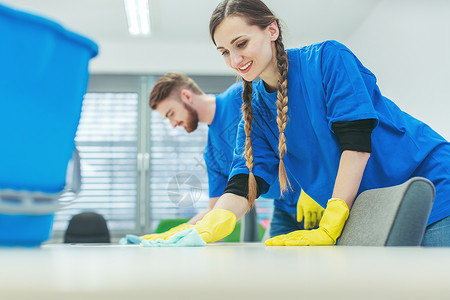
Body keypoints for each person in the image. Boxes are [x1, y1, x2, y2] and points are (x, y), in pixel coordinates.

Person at [146, 0, 450, 247]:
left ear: (272, 30)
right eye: (225, 52)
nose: (235, 60)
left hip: (431, 182)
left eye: (241, 43)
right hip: (372, 208)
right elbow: (246, 180)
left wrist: (333, 217)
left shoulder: (327, 59)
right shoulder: (253, 108)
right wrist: (213, 223)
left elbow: (356, 143)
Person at [145, 72, 324, 240]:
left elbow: (299, 124)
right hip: (283, 208)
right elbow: (215, 209)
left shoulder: (241, 95)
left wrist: (312, 186)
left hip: (316, 195)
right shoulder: (212, 154)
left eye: (171, 114)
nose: (173, 124)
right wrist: (179, 232)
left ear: (186, 96)